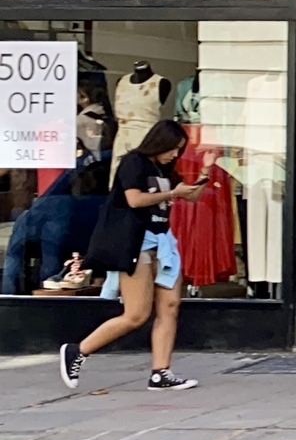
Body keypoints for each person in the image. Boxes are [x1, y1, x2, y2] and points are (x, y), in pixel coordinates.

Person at [58, 120, 209, 392]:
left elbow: (192, 197)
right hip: (137, 243)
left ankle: (160, 372)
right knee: (137, 314)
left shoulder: (162, 168)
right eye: (173, 149)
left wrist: (205, 172)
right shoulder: (134, 163)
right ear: (159, 142)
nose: (175, 155)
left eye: (179, 150)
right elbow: (135, 200)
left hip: (162, 242)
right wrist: (173, 192)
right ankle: (78, 350)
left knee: (170, 306)